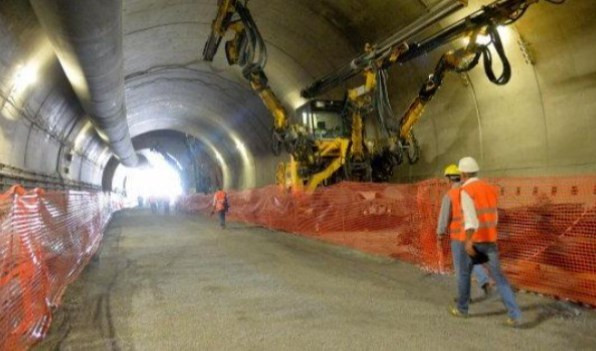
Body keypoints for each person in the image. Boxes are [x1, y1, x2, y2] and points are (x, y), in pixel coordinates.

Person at [449, 156, 522, 327]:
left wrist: (468, 241)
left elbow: (470, 220)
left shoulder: (465, 190)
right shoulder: (489, 189)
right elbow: (494, 217)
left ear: (463, 173)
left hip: (474, 240)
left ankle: (462, 309)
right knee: (500, 277)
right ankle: (515, 314)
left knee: (465, 274)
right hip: (490, 240)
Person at [437, 164, 491, 299]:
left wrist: (440, 232)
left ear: (450, 179)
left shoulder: (449, 195)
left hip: (458, 236)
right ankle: (484, 281)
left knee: (461, 268)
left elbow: (444, 216)